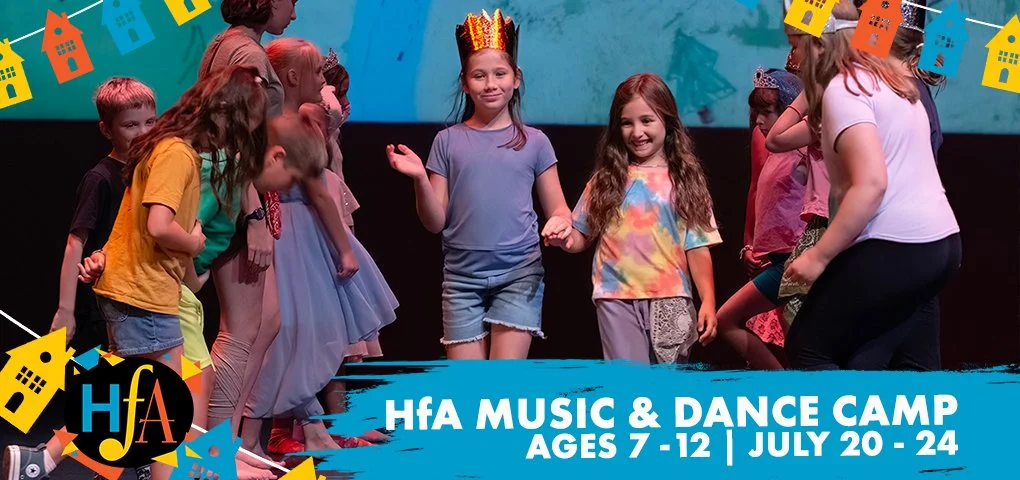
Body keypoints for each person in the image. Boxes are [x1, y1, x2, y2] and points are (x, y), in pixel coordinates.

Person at [783, 0, 961, 371]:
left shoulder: (846, 88)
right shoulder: (891, 81)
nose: (794, 58)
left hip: (897, 243)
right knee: (900, 359)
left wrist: (818, 257)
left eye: (797, 45)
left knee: (810, 350)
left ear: (820, 44)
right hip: (941, 245)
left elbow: (871, 184)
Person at [386, 9, 572, 360]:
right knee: (468, 386)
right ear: (464, 82)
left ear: (516, 78)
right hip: (462, 279)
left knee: (504, 383)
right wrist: (420, 179)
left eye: (500, 74)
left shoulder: (535, 142)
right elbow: (435, 222)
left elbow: (559, 208)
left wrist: (561, 223)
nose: (490, 84)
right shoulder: (447, 141)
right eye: (479, 76)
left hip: (520, 274)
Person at [3, 77, 157, 480]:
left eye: (150, 122)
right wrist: (66, 310)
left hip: (140, 297)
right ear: (107, 129)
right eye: (131, 125)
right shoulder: (100, 179)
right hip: (105, 305)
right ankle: (43, 459)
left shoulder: (152, 172)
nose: (143, 132)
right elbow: (76, 242)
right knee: (116, 389)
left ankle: (64, 459)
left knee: (131, 389)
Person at [549, 73, 721, 363]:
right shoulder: (606, 179)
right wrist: (565, 238)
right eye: (626, 123)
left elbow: (697, 246)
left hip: (671, 296)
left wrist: (709, 301)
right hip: (615, 295)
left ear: (667, 120)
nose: (637, 132)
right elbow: (582, 235)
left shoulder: (686, 181)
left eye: (646, 120)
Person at [717, 68, 808, 370]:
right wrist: (751, 244)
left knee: (728, 319)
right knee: (794, 344)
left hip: (795, 261)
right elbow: (756, 189)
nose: (758, 121)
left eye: (766, 113)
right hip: (777, 258)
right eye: (756, 113)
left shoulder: (805, 151)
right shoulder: (775, 152)